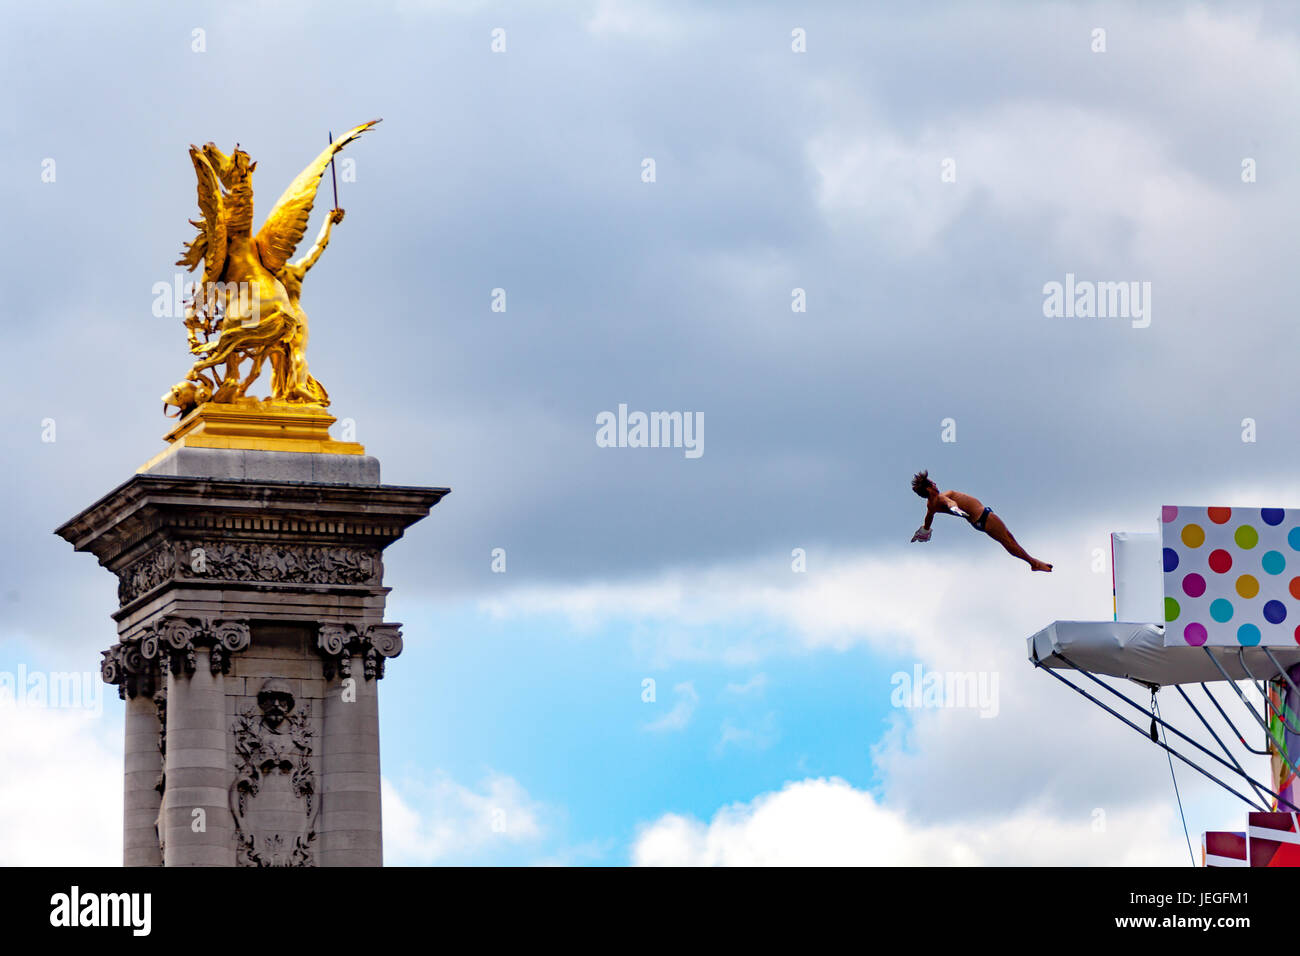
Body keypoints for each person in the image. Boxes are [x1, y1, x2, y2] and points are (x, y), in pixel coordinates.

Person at [909, 470, 1052, 571]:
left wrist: (924, 531)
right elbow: (949, 503)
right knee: (1008, 540)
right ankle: (1033, 563)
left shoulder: (930, 505)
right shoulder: (941, 497)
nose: (935, 484)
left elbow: (928, 519)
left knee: (1008, 540)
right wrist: (955, 509)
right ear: (928, 488)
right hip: (984, 517)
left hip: (978, 522)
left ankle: (1032, 562)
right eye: (932, 483)